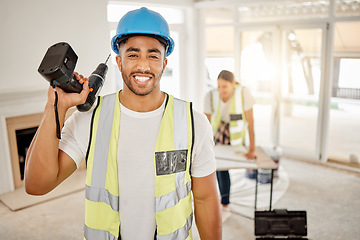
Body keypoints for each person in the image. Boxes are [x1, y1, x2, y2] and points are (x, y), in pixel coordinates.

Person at [25, 7, 221, 240]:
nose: (143, 66)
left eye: (153, 55)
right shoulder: (90, 119)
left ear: (164, 63)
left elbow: (205, 199)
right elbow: (37, 185)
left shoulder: (193, 122)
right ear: (118, 61)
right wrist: (56, 107)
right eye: (133, 54)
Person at [204, 70, 256, 222]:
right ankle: (224, 204)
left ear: (233, 84)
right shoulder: (210, 95)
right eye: (219, 86)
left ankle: (224, 203)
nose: (221, 90)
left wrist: (252, 149)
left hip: (236, 136)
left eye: (225, 87)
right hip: (218, 133)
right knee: (220, 168)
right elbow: (205, 123)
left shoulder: (243, 93)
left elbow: (251, 123)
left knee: (224, 168)